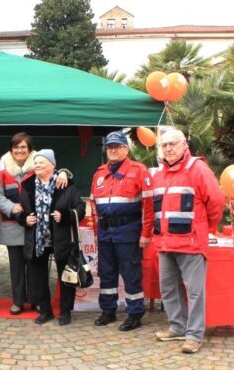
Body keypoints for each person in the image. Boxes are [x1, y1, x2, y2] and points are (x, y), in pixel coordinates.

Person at [152, 128, 224, 354]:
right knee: (168, 290)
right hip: (165, 244)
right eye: (164, 145)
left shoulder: (198, 169)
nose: (168, 149)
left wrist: (204, 228)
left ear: (184, 145)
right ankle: (177, 327)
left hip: (191, 244)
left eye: (172, 144)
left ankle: (194, 335)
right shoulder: (159, 174)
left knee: (195, 292)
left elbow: (216, 202)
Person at [0, 133, 70, 315]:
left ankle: (36, 300)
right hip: (13, 223)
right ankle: (18, 301)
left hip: (36, 225)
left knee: (35, 265)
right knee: (16, 266)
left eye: (23, 147)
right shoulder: (2, 166)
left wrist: (66, 172)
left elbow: (55, 173)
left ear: (29, 150)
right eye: (16, 147)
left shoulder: (39, 162)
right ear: (11, 149)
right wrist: (13, 209)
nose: (20, 150)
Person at [90, 131, 154, 332]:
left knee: (130, 274)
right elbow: (93, 205)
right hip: (106, 231)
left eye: (118, 146)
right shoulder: (99, 173)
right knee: (107, 274)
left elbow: (149, 206)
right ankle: (108, 310)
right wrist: (96, 232)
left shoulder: (139, 170)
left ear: (126, 149)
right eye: (110, 147)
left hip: (129, 231)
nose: (114, 150)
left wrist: (145, 233)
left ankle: (135, 314)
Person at [16, 150, 85, 325]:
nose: (37, 165)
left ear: (52, 165)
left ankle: (65, 312)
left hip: (61, 238)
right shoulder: (28, 186)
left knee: (66, 276)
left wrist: (66, 215)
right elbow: (20, 210)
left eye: (41, 162)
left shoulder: (65, 183)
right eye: (35, 162)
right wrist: (24, 218)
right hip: (37, 240)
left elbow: (81, 208)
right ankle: (46, 311)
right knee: (38, 278)